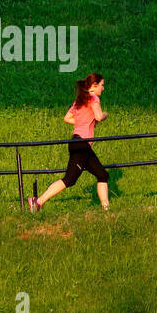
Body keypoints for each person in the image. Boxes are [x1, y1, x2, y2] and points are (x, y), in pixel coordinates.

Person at [30, 73, 110, 212]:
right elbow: (98, 116)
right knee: (69, 179)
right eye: (102, 85)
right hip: (81, 144)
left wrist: (82, 122)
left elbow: (67, 118)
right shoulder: (94, 98)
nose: (103, 89)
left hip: (78, 143)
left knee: (102, 174)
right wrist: (105, 115)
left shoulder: (80, 99)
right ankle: (38, 202)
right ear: (95, 85)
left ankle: (107, 210)